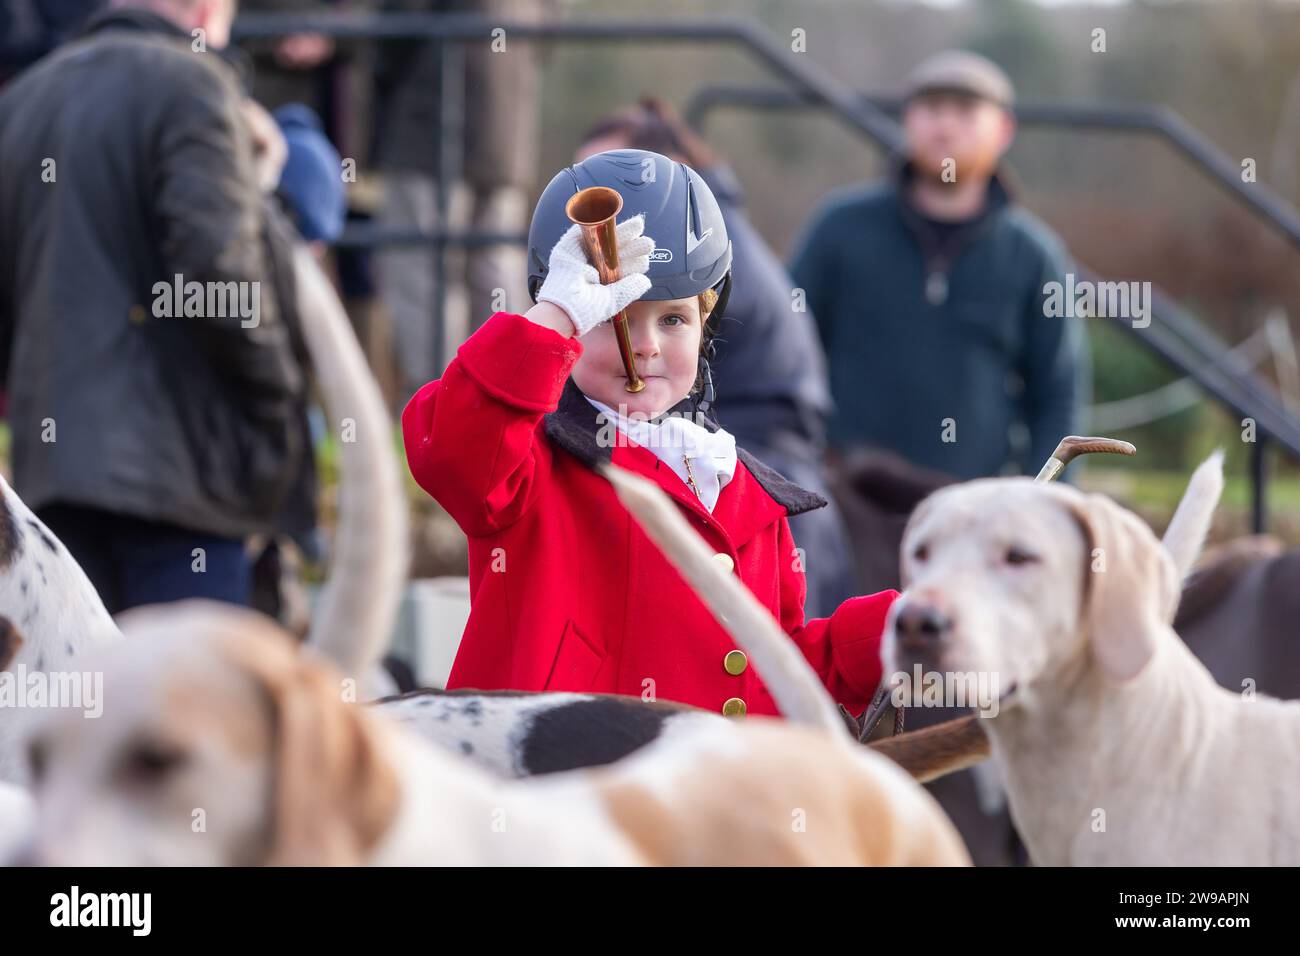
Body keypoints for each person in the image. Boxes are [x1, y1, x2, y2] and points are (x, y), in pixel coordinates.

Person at [403, 149, 897, 718]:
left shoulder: (747, 494)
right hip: (556, 790)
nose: (646, 346)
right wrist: (555, 318)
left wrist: (900, 631)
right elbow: (450, 451)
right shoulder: (529, 456)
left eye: (674, 320)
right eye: (616, 316)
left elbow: (777, 670)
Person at [0, 0, 305, 613]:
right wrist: (279, 401)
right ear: (204, 11)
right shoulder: (194, 84)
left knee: (83, 705)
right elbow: (220, 276)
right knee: (188, 707)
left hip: (51, 492)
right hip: (185, 484)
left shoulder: (21, 100)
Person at [574, 98, 857, 617]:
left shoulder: (688, 254)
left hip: (764, 477)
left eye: (601, 184)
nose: (583, 207)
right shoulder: (703, 232)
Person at [791, 50, 1086, 480]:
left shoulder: (1033, 254)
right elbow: (784, 351)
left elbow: (1058, 395)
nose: (945, 126)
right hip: (845, 501)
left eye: (965, 112)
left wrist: (1046, 502)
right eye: (931, 109)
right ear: (909, 120)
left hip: (973, 510)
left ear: (1003, 129)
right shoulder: (839, 228)